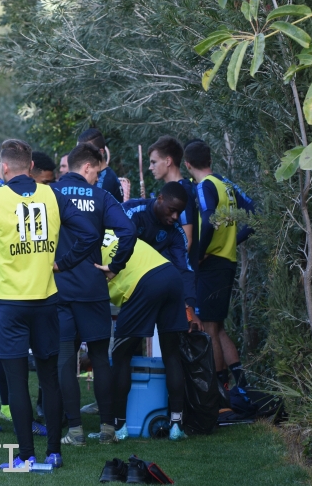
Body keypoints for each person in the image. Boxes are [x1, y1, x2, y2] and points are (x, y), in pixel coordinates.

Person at [0, 139, 99, 470]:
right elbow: (90, 234)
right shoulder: (51, 194)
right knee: (49, 377)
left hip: (8, 304)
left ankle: (26, 455)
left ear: (4, 169)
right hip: (46, 301)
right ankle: (54, 453)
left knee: (16, 380)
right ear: (31, 167)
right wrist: (65, 261)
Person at [51, 143, 136, 445]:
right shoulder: (102, 197)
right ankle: (107, 430)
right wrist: (115, 265)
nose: (99, 177)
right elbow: (128, 230)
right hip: (92, 286)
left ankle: (74, 431)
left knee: (64, 359)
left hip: (58, 287)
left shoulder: (51, 193)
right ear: (87, 166)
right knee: (100, 358)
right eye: (97, 171)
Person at [95, 233, 192, 441]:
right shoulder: (115, 229)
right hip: (170, 274)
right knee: (172, 354)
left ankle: (119, 427)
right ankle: (176, 426)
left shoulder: (83, 243)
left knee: (121, 358)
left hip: (142, 284)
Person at [184, 140, 255, 391]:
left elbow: (209, 218)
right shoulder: (225, 183)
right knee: (218, 327)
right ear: (210, 161)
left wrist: (199, 254)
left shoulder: (204, 187)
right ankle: (242, 386)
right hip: (225, 261)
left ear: (187, 164)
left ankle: (220, 391)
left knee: (210, 330)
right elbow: (254, 212)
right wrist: (234, 242)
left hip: (212, 263)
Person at [122, 182, 201, 327]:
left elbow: (184, 269)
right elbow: (119, 245)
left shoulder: (176, 232)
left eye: (180, 212)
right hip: (118, 276)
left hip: (148, 286)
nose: (176, 216)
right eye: (172, 210)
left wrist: (190, 308)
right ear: (160, 199)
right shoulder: (133, 211)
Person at [147, 136, 198, 253]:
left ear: (168, 161)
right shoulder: (178, 188)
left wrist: (172, 269)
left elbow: (186, 240)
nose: (150, 168)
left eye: (154, 162)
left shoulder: (182, 191)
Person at [78, 128, 124, 202]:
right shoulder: (100, 175)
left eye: (87, 152)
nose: (82, 156)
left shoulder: (106, 180)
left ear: (100, 152)